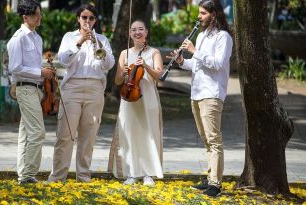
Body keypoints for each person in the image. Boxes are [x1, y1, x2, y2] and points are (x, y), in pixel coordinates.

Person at [168, 0, 233, 197]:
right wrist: (181, 61)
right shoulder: (203, 35)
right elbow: (197, 66)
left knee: (214, 140)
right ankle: (210, 177)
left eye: (203, 13)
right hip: (196, 93)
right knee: (206, 141)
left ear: (214, 15)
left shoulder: (224, 37)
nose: (199, 17)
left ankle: (216, 184)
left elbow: (218, 64)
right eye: (199, 13)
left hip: (212, 94)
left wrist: (195, 51)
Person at [48, 4, 115, 183]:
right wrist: (80, 42)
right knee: (65, 134)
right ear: (78, 19)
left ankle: (83, 177)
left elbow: (109, 64)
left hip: (95, 88)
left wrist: (96, 43)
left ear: (95, 20)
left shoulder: (102, 39)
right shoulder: (69, 37)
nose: (87, 21)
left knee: (89, 136)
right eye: (84, 17)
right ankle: (57, 177)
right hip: (72, 88)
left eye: (91, 18)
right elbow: (62, 61)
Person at [108, 20, 164, 186]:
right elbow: (117, 81)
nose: (137, 32)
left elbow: (159, 76)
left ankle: (148, 173)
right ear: (130, 33)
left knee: (148, 134)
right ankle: (132, 172)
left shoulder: (154, 52)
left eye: (141, 29)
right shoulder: (124, 53)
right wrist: (123, 72)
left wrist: (145, 65)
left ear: (146, 32)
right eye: (133, 30)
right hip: (129, 96)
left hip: (148, 98)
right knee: (130, 134)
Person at [7, 0, 54, 184]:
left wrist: (46, 73)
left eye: (39, 13)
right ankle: (28, 174)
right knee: (38, 131)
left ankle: (23, 174)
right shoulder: (18, 38)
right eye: (35, 14)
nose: (39, 17)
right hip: (24, 88)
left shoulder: (37, 38)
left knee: (26, 132)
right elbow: (15, 68)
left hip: (35, 89)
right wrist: (40, 72)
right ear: (25, 17)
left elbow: (33, 67)